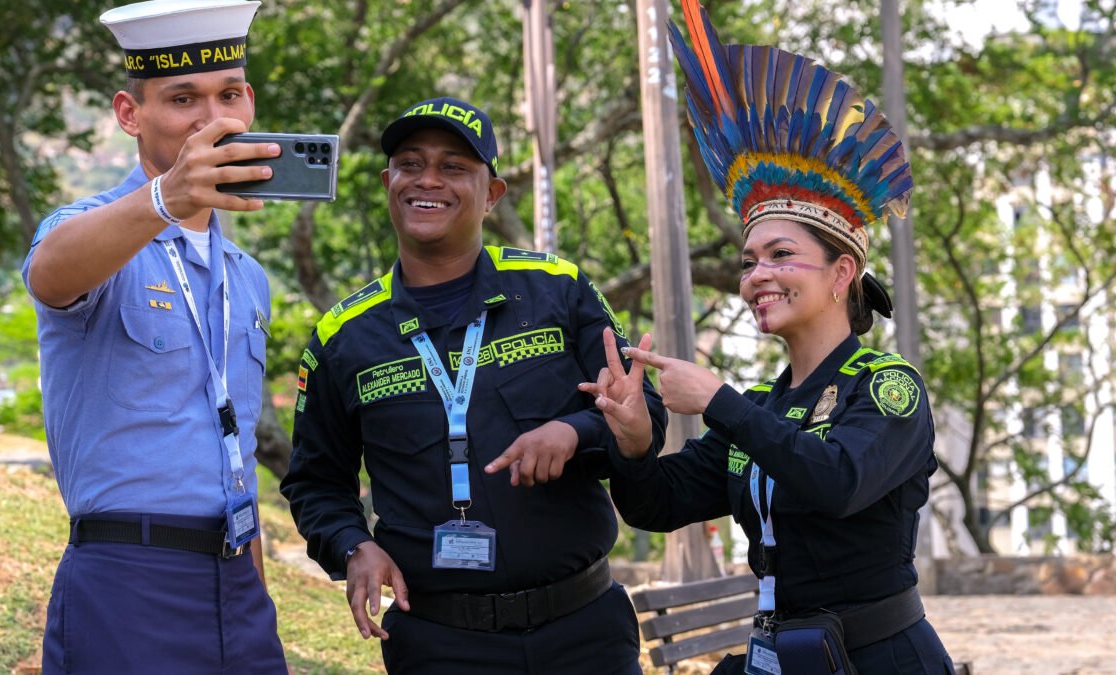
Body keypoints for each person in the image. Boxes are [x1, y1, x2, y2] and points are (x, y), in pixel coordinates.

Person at [579, 4, 954, 673]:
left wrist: (719, 400)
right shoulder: (762, 408)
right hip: (781, 657)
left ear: (843, 273)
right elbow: (654, 504)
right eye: (749, 261)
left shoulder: (889, 388)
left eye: (781, 254)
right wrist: (633, 437)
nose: (758, 276)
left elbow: (838, 480)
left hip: (882, 658)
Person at [281, 96, 667, 674]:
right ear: (389, 182)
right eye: (410, 164)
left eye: (454, 166)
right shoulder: (342, 336)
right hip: (439, 644)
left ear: (491, 194)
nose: (427, 180)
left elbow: (643, 418)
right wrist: (352, 545)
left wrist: (574, 430)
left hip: (584, 631)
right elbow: (315, 482)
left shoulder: (558, 290)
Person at [22, 0, 288, 671]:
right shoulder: (90, 228)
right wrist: (164, 198)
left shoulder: (246, 277)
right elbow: (50, 274)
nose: (210, 118)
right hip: (127, 578)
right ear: (129, 114)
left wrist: (254, 583)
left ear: (249, 102)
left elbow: (234, 437)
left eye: (228, 94)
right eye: (181, 98)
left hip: (238, 583)